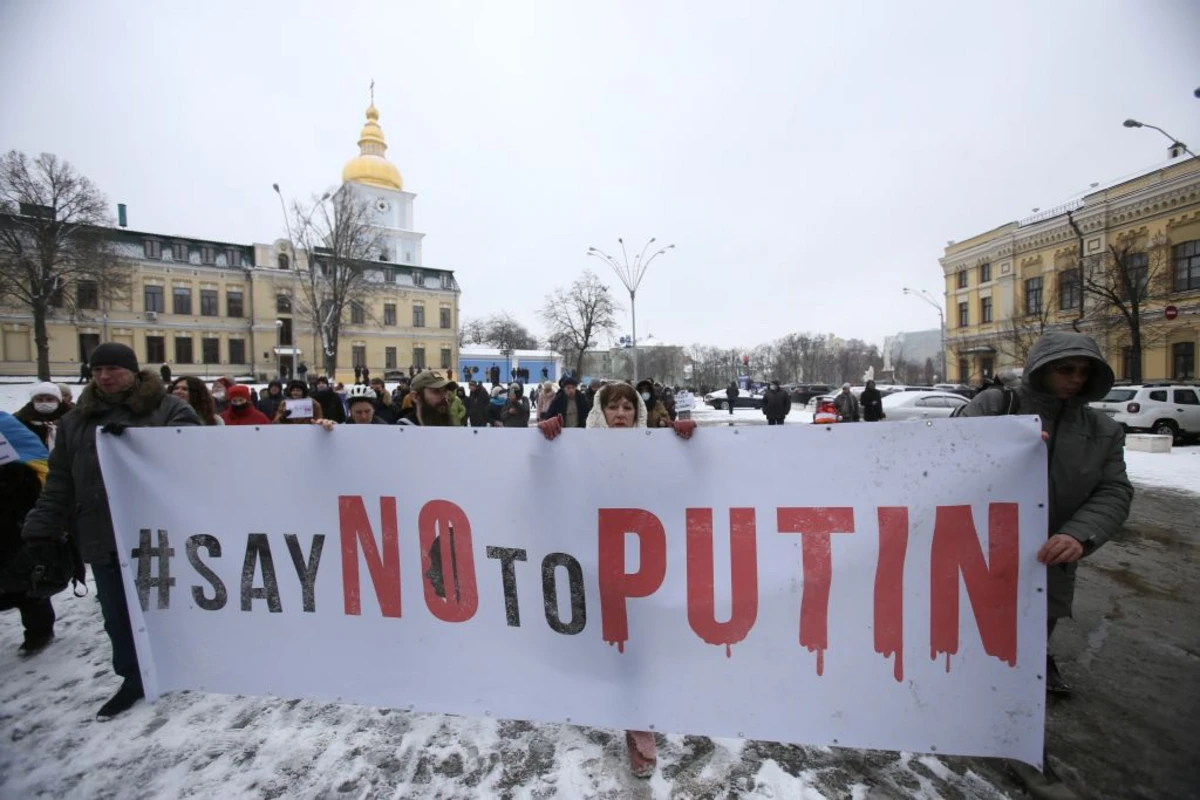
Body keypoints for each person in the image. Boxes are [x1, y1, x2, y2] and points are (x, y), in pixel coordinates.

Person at [957, 332, 1133, 799]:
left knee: (1024, 661)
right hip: (973, 557)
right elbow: (941, 453)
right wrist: (996, 447)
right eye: (1065, 368)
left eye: (1083, 371)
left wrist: (1079, 533)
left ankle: (1020, 750)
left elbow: (1114, 491)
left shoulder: (1103, 431)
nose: (1075, 379)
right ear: (1041, 367)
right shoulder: (998, 406)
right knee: (957, 646)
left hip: (1043, 568)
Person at [20, 343, 199, 717]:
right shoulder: (76, 423)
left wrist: (140, 445)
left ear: (133, 371)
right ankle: (133, 676)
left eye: (113, 369)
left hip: (159, 534)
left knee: (168, 606)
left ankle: (182, 664)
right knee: (117, 613)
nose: (104, 376)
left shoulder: (170, 411)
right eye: (98, 370)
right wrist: (40, 528)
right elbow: (61, 482)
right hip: (102, 532)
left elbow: (195, 461)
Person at [536, 382, 695, 778]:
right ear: (600, 412)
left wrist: (687, 445)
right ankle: (590, 703)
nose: (621, 413)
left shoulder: (658, 448)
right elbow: (542, 478)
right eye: (613, 407)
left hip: (640, 564)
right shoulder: (577, 447)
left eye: (628, 406)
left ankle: (640, 726)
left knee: (635, 647)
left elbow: (687, 485)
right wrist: (546, 436)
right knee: (595, 643)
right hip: (590, 559)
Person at [0, 412, 56, 656]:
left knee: (22, 572)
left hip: (9, 508)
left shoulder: (4, 423)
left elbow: (39, 463)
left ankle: (38, 630)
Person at [14, 382, 68, 448]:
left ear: (58, 401)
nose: (44, 403)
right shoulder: (19, 420)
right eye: (39, 400)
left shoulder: (71, 419)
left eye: (49, 399)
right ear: (33, 401)